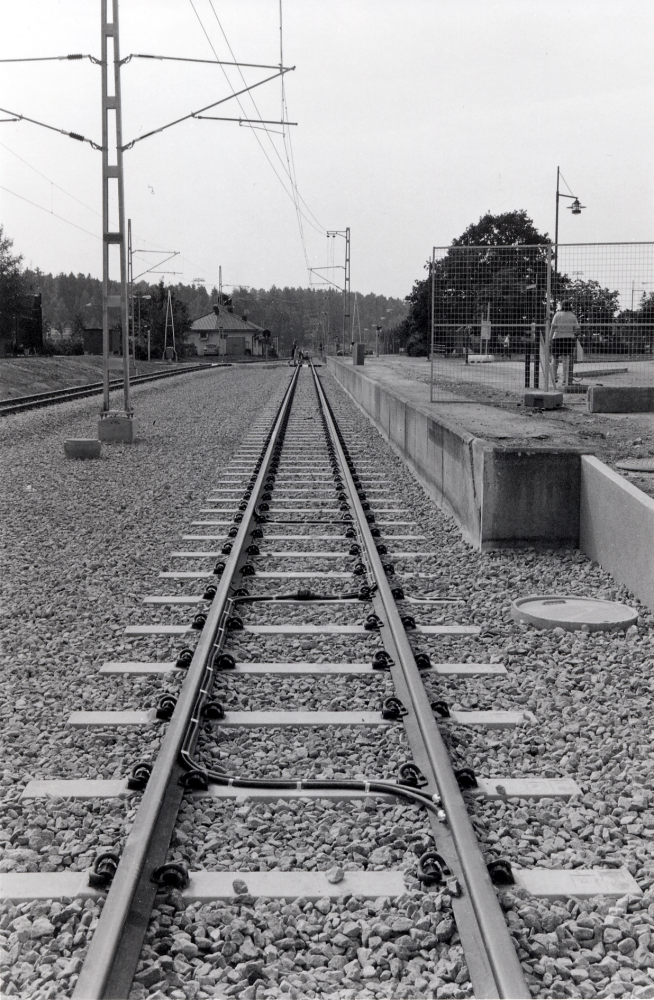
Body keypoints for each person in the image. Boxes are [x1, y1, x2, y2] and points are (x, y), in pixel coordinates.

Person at [550, 300, 580, 386]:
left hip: (557, 338)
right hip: (569, 338)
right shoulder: (573, 316)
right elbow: (577, 329)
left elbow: (553, 327)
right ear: (570, 306)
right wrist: (574, 336)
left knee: (555, 358)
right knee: (566, 360)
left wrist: (550, 338)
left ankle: (554, 377)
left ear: (562, 306)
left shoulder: (557, 314)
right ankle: (565, 380)